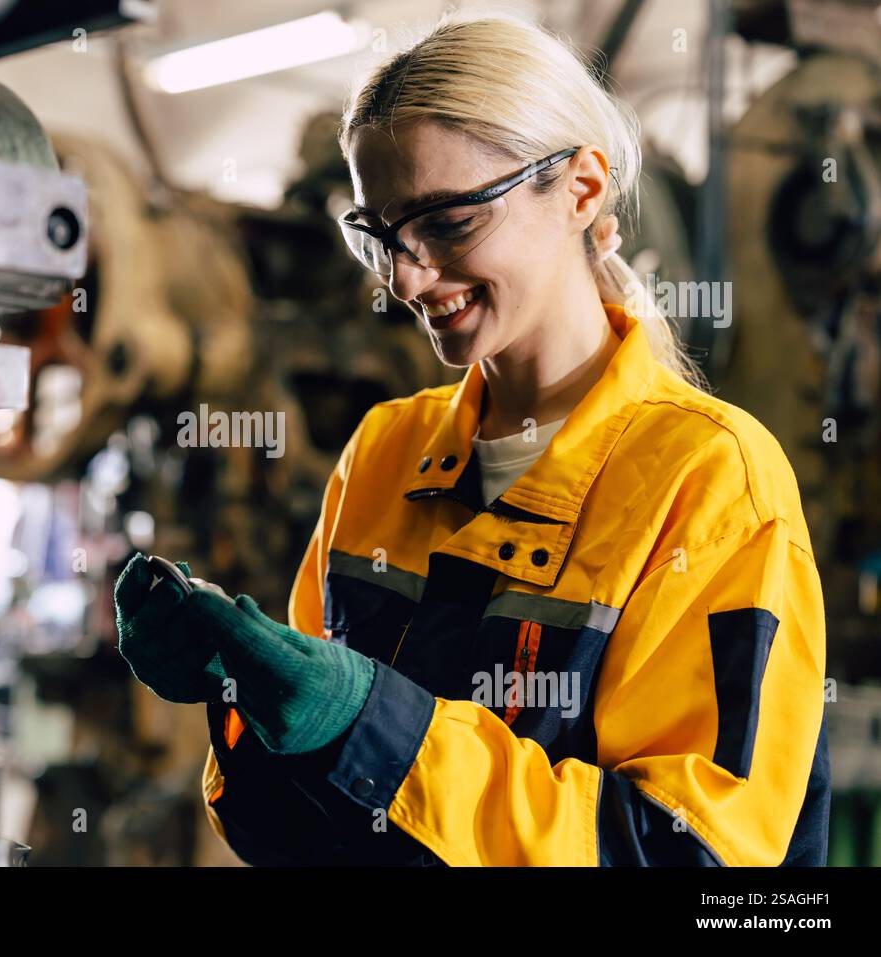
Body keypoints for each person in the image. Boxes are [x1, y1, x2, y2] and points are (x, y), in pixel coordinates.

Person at [113, 10, 829, 866]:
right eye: (380, 235)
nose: (406, 278)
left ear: (582, 190)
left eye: (447, 223)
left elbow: (691, 858)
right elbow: (297, 833)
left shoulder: (709, 481)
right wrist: (241, 702)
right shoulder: (383, 451)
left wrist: (368, 729)